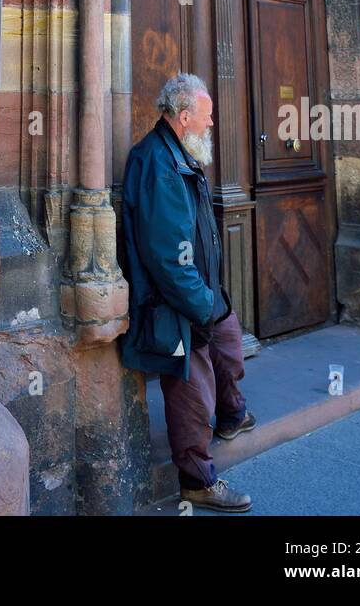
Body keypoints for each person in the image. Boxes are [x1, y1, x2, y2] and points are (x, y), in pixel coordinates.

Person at [121, 72, 256, 512]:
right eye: (208, 116)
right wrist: (198, 303)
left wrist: (209, 299)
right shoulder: (158, 163)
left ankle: (233, 416)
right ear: (184, 117)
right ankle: (197, 479)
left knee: (230, 349)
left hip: (202, 292)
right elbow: (168, 255)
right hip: (177, 301)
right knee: (191, 393)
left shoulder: (179, 153)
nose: (212, 123)